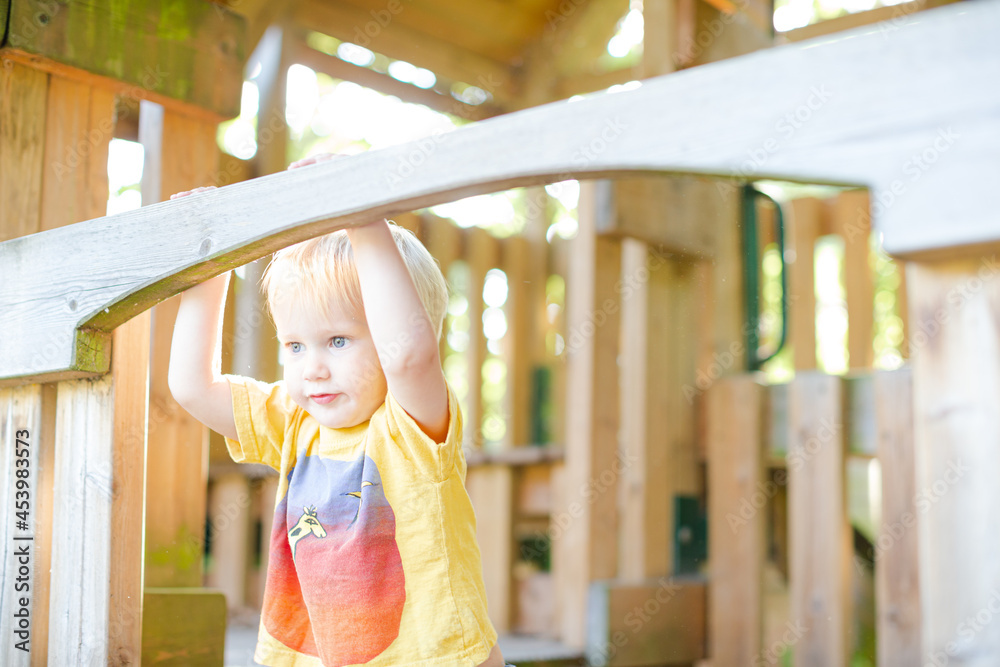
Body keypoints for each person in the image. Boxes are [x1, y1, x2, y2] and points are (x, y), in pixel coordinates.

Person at [168, 154, 510, 667]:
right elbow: (193, 387)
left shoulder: (408, 427)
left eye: (338, 340)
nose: (313, 369)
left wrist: (362, 218)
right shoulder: (293, 422)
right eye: (296, 346)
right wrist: (209, 261)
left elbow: (408, 354)